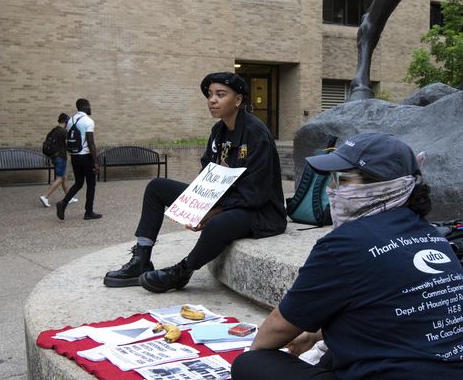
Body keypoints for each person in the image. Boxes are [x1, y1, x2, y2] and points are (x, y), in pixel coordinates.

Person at [231, 132, 463, 380]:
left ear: (381, 187)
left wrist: (259, 353)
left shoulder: (344, 244)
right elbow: (393, 314)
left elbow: (278, 328)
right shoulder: (433, 235)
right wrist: (314, 335)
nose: (332, 190)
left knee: (251, 363)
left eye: (342, 180)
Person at [104, 72, 287, 292]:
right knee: (156, 187)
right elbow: (207, 176)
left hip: (261, 211)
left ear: (238, 100)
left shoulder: (256, 133)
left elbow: (255, 194)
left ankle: (182, 271)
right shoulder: (218, 131)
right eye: (210, 94)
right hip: (227, 202)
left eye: (221, 94)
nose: (212, 100)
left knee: (218, 224)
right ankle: (141, 260)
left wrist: (211, 212)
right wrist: (195, 206)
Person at [56, 98, 101, 220]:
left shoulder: (71, 120)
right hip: (86, 156)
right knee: (91, 183)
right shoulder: (88, 121)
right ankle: (89, 212)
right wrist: (96, 162)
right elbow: (91, 142)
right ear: (85, 106)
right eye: (89, 106)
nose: (90, 108)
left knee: (79, 183)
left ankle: (63, 203)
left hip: (74, 156)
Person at [39, 113, 78, 207]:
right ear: (65, 122)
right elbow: (69, 143)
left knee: (63, 177)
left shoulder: (53, 130)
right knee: (60, 178)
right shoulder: (63, 132)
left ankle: (69, 197)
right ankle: (45, 196)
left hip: (54, 157)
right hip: (60, 157)